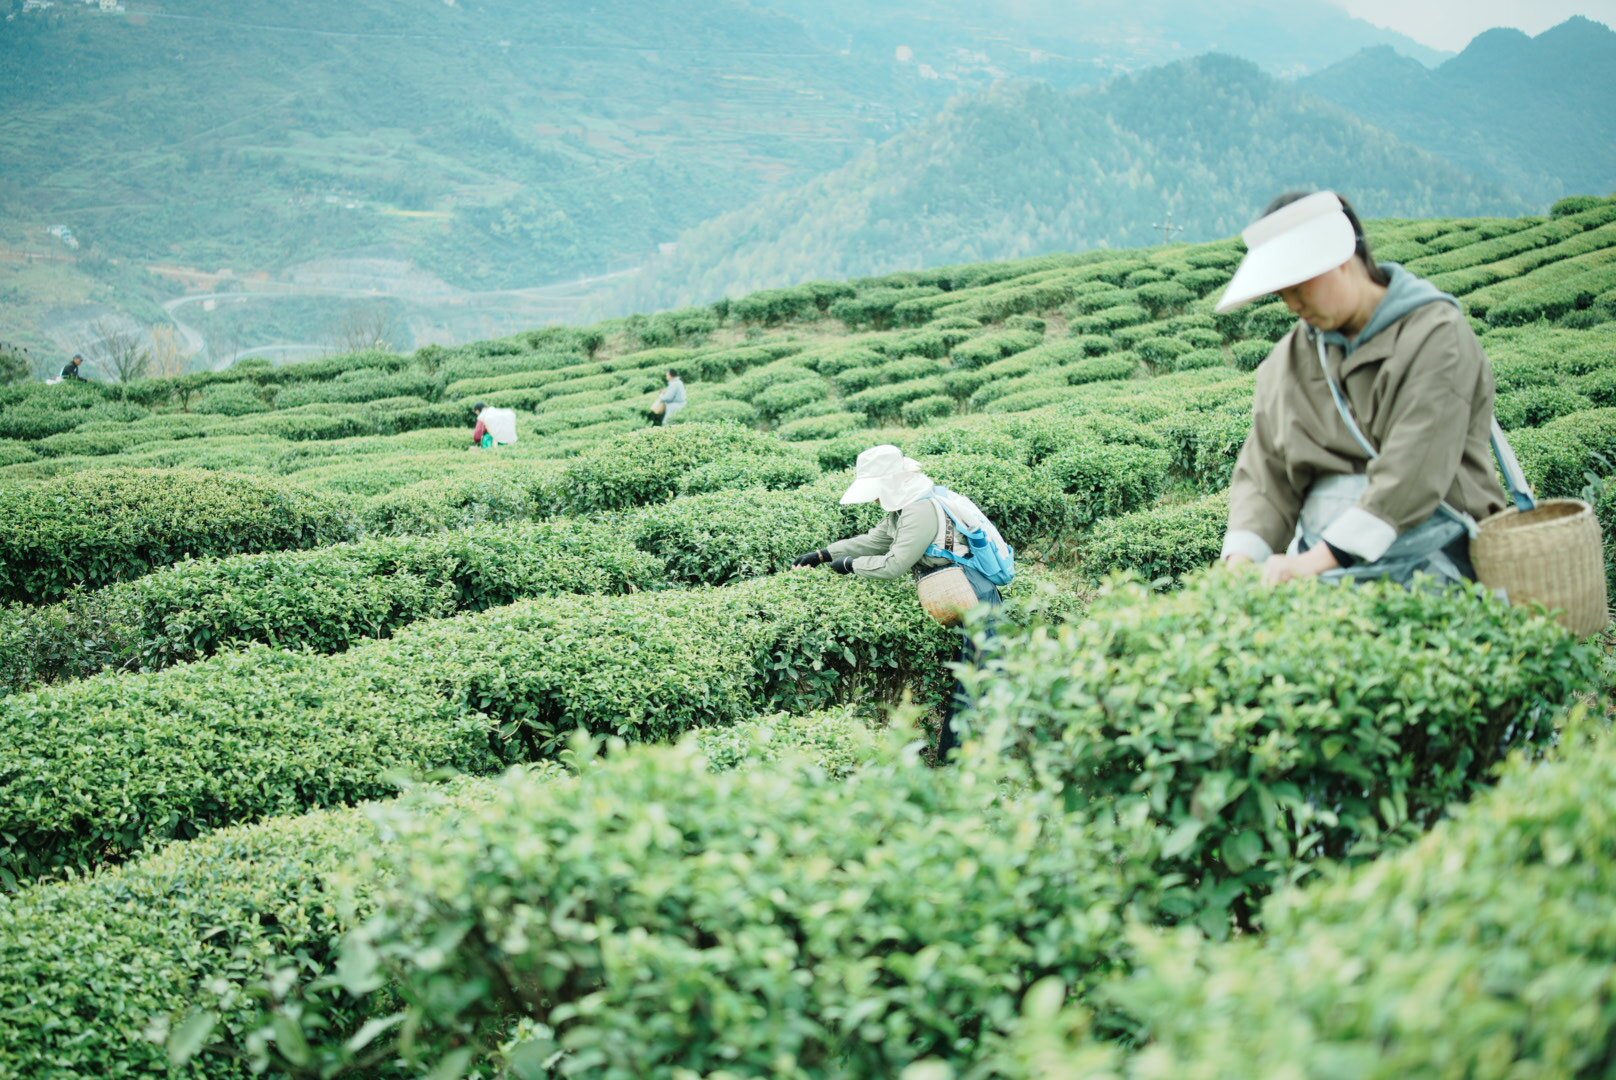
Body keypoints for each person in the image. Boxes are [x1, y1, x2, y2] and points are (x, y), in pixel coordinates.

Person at [1216, 190, 1510, 586]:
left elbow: (1414, 469)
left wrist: (1315, 562)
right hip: (1326, 566)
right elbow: (1265, 474)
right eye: (1282, 293)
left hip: (1438, 558)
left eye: (1300, 286)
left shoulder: (1435, 335)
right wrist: (1239, 563)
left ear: (1341, 258)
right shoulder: (1288, 362)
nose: (1292, 304)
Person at [792, 444, 1004, 760]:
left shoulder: (920, 509)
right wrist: (824, 554)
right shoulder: (904, 507)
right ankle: (964, 756)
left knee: (978, 678)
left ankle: (966, 759)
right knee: (973, 672)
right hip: (959, 592)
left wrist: (851, 565)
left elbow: (894, 564)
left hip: (974, 594)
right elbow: (875, 540)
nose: (874, 499)